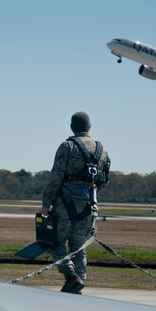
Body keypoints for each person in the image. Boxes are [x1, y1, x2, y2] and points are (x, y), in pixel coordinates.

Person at [41, 111, 110, 294]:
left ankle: (71, 276)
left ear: (72, 127)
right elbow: (103, 181)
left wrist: (46, 203)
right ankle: (78, 286)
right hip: (89, 207)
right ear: (89, 127)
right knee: (79, 248)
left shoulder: (67, 147)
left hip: (65, 204)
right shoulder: (102, 151)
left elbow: (55, 178)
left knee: (54, 243)